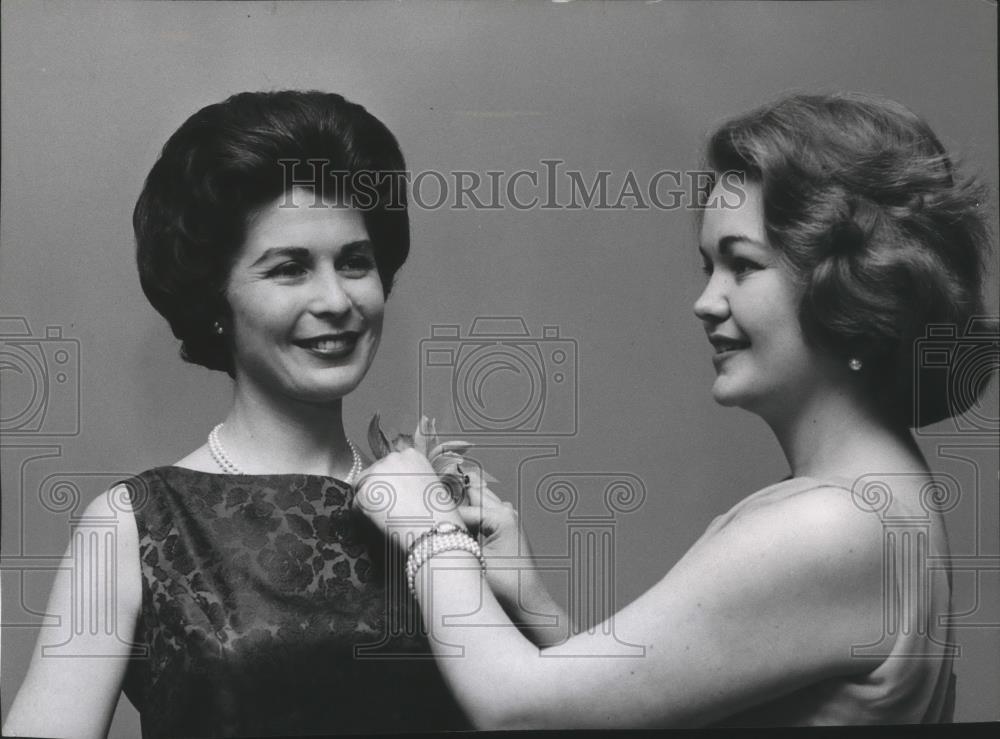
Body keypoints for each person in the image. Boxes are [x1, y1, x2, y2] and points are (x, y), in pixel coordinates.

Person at [354, 92, 995, 728]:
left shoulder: (832, 525)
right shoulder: (879, 496)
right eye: (708, 265)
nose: (706, 301)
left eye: (742, 266)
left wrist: (429, 532)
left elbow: (520, 712)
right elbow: (634, 708)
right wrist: (530, 599)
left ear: (848, 284)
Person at [4, 90, 493, 738]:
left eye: (355, 262)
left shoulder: (445, 503)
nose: (337, 299)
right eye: (290, 269)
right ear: (217, 298)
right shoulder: (131, 528)